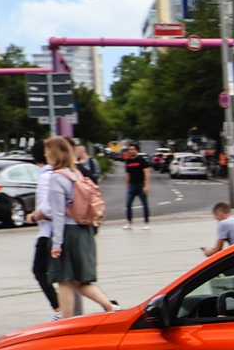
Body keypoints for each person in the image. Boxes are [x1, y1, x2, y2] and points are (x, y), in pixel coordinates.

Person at [36, 135, 115, 317]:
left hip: (68, 233)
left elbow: (57, 214)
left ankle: (67, 322)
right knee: (80, 281)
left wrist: (56, 244)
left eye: (48, 152)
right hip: (84, 230)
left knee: (64, 280)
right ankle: (111, 307)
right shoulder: (75, 173)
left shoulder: (56, 178)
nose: (46, 156)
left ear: (55, 154)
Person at [120, 146, 151, 226]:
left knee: (144, 204)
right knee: (128, 204)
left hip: (140, 184)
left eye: (133, 149)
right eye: (129, 150)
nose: (131, 151)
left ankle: (146, 222)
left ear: (137, 151)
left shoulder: (141, 160)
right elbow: (128, 174)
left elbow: (146, 172)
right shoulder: (128, 162)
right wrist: (127, 185)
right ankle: (129, 222)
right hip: (132, 185)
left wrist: (146, 185)